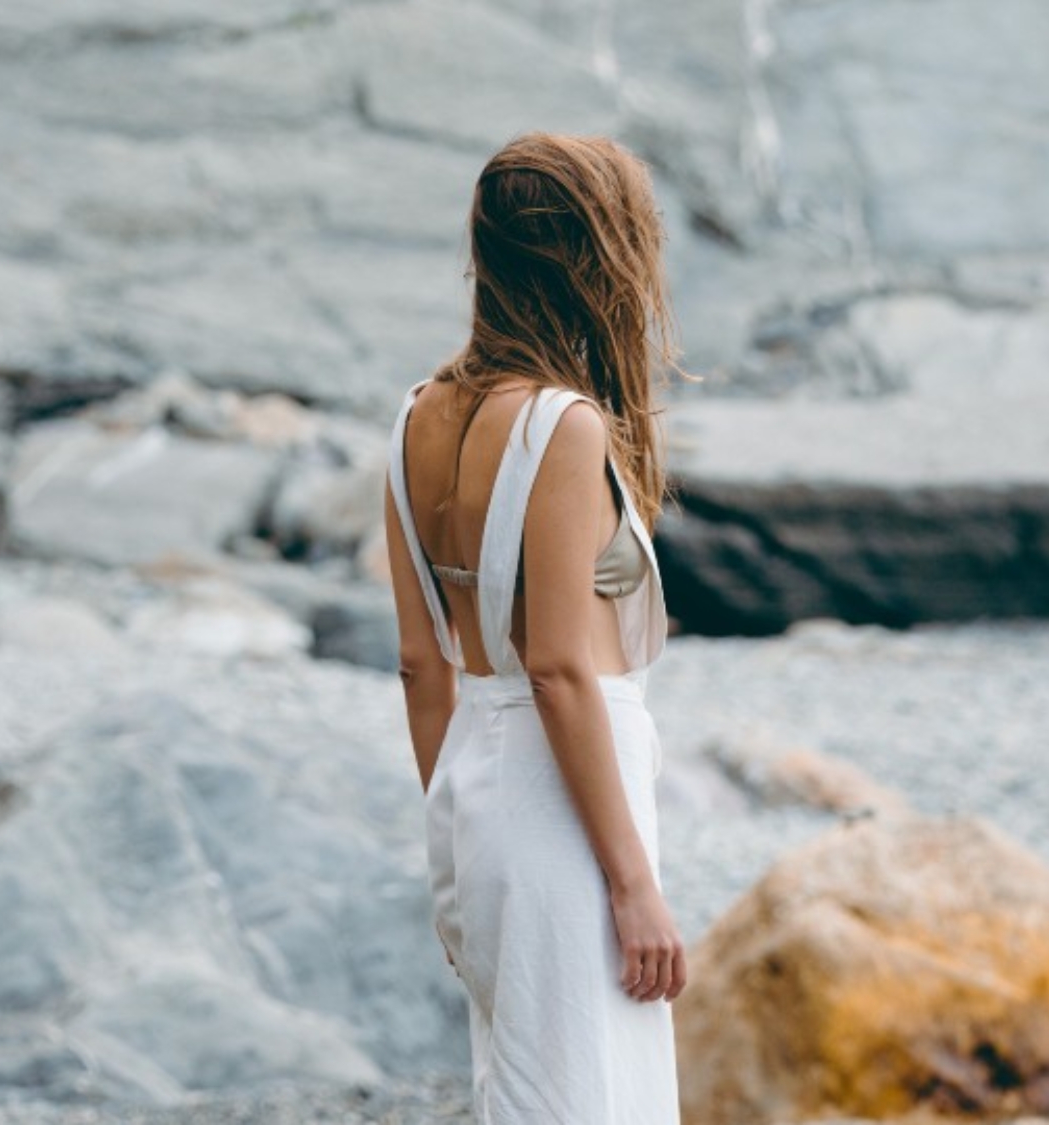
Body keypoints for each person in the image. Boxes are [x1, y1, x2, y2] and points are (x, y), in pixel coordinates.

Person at [382, 132, 688, 1123]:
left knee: (526, 1093)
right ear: (589, 258)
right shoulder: (564, 424)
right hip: (563, 800)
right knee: (592, 1098)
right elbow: (558, 669)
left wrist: (451, 846)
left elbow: (419, 665)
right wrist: (632, 884)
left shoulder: (415, 416)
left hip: (478, 785)